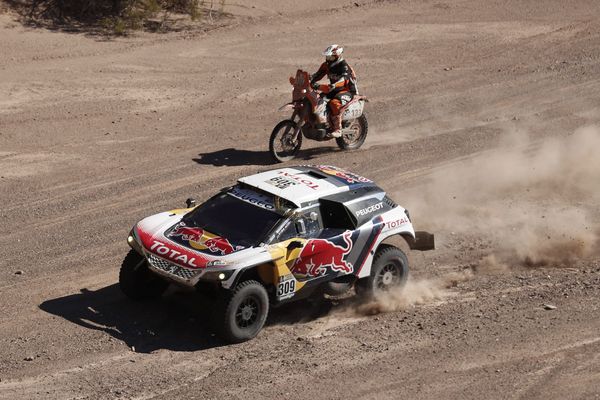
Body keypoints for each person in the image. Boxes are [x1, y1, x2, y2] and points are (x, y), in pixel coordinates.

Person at [310, 44, 357, 138]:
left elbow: (344, 79)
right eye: (327, 56)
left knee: (334, 103)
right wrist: (309, 79)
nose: (327, 58)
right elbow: (318, 75)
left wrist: (334, 84)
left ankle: (337, 129)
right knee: (318, 99)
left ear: (336, 56)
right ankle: (323, 122)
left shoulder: (344, 66)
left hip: (346, 90)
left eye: (330, 56)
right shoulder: (326, 65)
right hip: (334, 89)